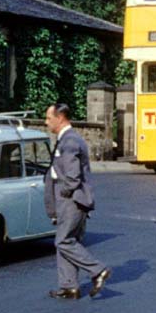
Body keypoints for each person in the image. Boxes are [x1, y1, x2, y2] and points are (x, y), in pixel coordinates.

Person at [44, 103, 111, 300]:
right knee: (68, 241)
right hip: (70, 200)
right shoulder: (67, 138)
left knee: (63, 241)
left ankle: (98, 270)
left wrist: (64, 193)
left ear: (61, 117)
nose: (46, 122)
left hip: (71, 200)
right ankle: (69, 287)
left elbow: (72, 176)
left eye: (49, 118)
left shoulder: (70, 141)